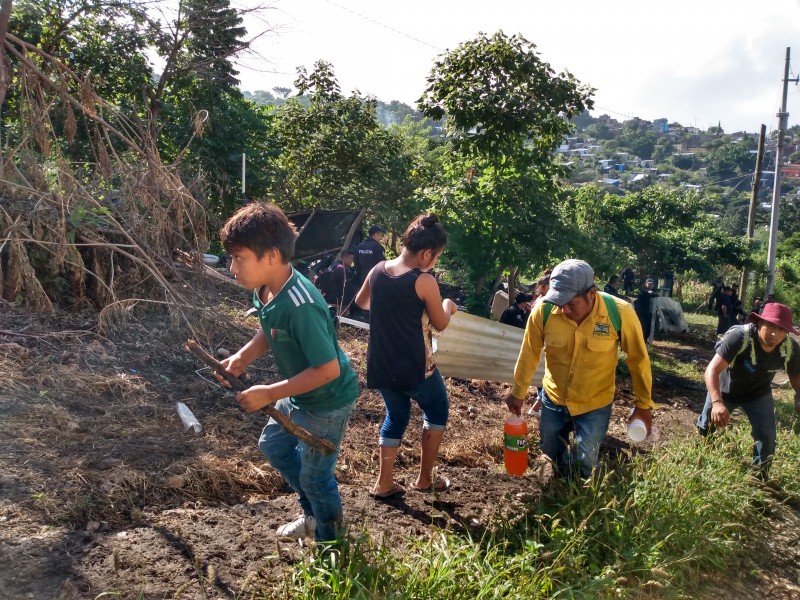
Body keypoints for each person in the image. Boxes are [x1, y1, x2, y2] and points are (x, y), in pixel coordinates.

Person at [217, 202, 359, 543]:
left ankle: (331, 541)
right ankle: (314, 514)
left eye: (239, 258)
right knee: (274, 446)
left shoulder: (301, 304)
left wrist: (268, 393)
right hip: (297, 392)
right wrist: (242, 357)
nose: (232, 267)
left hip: (327, 400)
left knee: (316, 477)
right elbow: (270, 327)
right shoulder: (265, 289)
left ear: (271, 256)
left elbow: (327, 369)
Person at [505, 259, 654, 479]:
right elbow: (529, 353)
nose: (563, 310)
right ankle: (561, 484)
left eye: (571, 303)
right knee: (551, 451)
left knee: (584, 460)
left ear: (591, 294)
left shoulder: (620, 313)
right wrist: (518, 392)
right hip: (554, 399)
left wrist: (643, 405)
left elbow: (638, 359)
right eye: (559, 302)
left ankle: (579, 496)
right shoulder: (544, 312)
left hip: (595, 402)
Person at [355, 214, 458, 498]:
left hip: (381, 363)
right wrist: (448, 305)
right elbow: (440, 323)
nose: (434, 262)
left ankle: (384, 483)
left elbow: (362, 302)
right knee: (437, 410)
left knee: (396, 414)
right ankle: (424, 480)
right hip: (414, 366)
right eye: (436, 257)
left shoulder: (378, 270)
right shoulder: (424, 281)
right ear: (426, 253)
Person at [697, 302, 800, 478]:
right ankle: (702, 465)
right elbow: (711, 370)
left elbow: (797, 376)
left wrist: (799, 396)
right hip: (726, 389)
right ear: (760, 323)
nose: (775, 334)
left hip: (758, 393)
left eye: (782, 329)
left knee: (767, 437)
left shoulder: (789, 348)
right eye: (770, 326)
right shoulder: (740, 337)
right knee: (707, 427)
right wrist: (716, 402)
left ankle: (758, 481)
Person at [634, 277, 658, 342]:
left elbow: (656, 294)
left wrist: (653, 293)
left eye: (652, 284)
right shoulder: (642, 290)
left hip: (647, 312)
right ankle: (640, 341)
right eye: (649, 284)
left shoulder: (653, 290)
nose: (651, 285)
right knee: (642, 327)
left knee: (648, 328)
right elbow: (650, 294)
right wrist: (651, 293)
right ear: (646, 283)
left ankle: (644, 341)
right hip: (641, 312)